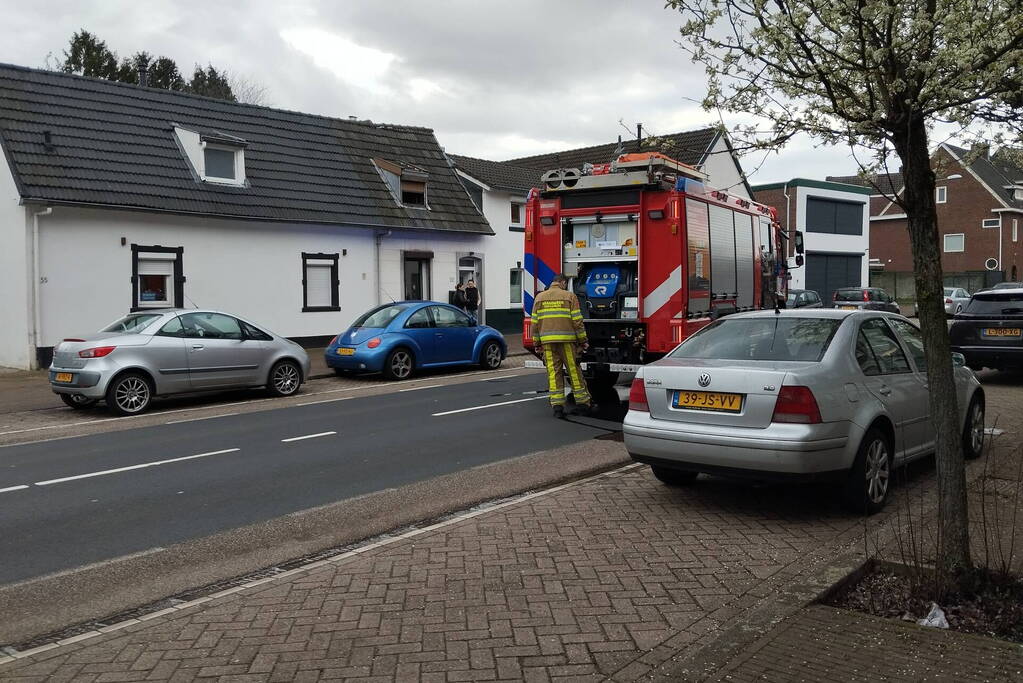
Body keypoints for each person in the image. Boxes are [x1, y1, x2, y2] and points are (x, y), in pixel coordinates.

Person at [530, 274, 593, 418]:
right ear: (563, 282)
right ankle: (583, 404)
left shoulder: (539, 298)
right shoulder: (570, 296)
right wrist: (583, 340)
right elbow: (577, 321)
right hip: (567, 341)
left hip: (548, 343)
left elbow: (535, 324)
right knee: (574, 371)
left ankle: (557, 407)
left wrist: (537, 343)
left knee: (554, 373)